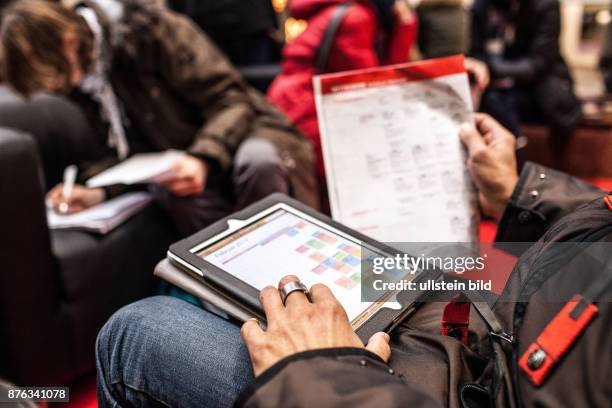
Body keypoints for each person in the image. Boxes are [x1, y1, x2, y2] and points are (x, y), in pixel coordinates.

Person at [96, 114, 611, 407]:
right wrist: (521, 192)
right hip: (494, 324)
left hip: (470, 382)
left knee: (138, 332)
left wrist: (323, 371)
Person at [0, 0, 317, 235]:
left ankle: (284, 268)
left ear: (68, 41)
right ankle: (233, 284)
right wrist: (98, 191)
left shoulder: (150, 29)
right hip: (183, 158)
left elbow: (231, 99)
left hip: (248, 132)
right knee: (175, 193)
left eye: (53, 75)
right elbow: (123, 155)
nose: (57, 86)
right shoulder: (84, 82)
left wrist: (201, 157)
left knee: (257, 161)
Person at [267, 0, 418, 188]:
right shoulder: (357, 17)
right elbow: (373, 85)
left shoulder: (348, 9)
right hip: (309, 112)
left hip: (295, 103)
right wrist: (405, 25)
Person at [470, 0, 582, 151]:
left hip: (540, 89)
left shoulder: (545, 5)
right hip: (495, 88)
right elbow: (475, 53)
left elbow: (538, 64)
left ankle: (512, 159)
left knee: (499, 100)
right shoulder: (482, 6)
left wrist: (490, 67)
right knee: (489, 99)